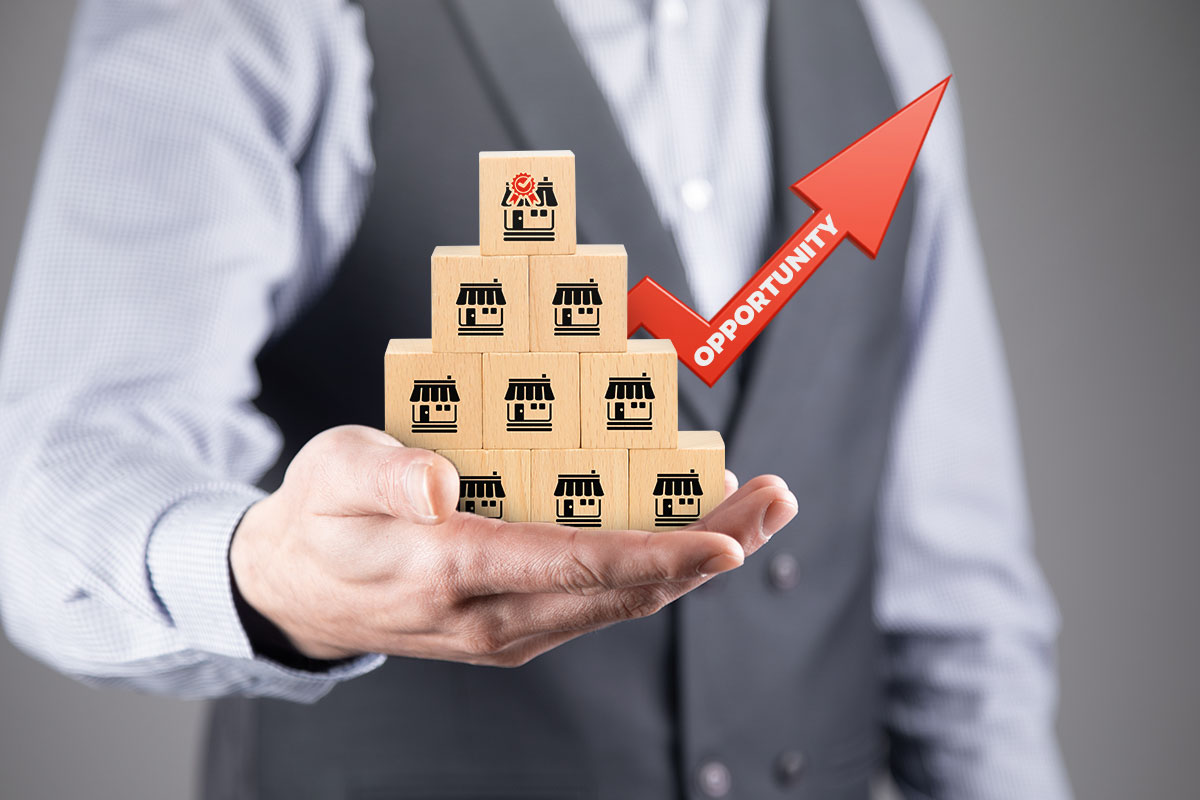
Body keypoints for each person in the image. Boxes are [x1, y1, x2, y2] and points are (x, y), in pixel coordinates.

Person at [0, 1, 1072, 798]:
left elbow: (959, 604)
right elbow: (59, 469)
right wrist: (263, 572)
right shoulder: (257, 19)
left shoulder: (886, 41)